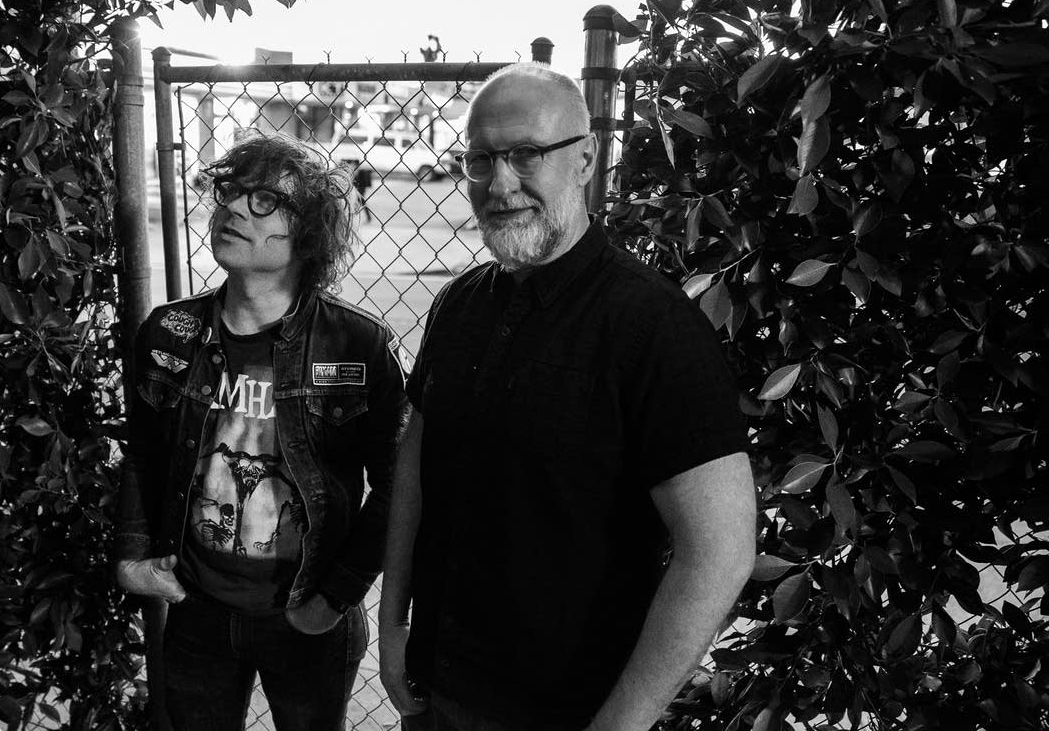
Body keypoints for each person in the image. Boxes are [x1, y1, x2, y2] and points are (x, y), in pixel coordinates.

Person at [379, 63, 757, 731]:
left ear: (584, 159)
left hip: (567, 710)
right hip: (436, 686)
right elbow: (416, 464)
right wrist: (392, 624)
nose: (500, 184)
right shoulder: (458, 305)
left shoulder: (652, 326)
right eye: (480, 159)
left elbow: (720, 549)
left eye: (526, 153)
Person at [114, 132, 408, 731]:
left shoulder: (357, 345)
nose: (233, 207)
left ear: (309, 232)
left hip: (306, 614)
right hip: (195, 607)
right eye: (230, 190)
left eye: (265, 200)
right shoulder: (169, 334)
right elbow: (143, 453)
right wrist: (131, 558)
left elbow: (399, 484)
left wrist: (335, 597)